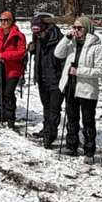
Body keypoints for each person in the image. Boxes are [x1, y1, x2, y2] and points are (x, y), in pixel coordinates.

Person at [53, 16, 102, 159]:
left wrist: (79, 71)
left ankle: (89, 150)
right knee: (72, 118)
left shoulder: (96, 47)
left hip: (87, 89)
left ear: (87, 29)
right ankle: (71, 146)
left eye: (79, 28)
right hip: (70, 86)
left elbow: (100, 71)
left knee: (88, 120)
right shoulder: (71, 43)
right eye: (74, 27)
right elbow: (58, 53)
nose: (76, 30)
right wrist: (66, 38)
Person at [29, 15, 65, 147]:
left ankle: (51, 134)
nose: (37, 35)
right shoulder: (38, 37)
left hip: (56, 79)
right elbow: (40, 54)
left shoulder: (59, 39)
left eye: (39, 32)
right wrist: (33, 49)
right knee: (46, 107)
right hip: (42, 78)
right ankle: (46, 129)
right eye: (35, 33)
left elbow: (63, 60)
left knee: (54, 109)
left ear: (47, 28)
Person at [0, 11, 27, 126]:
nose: (3, 22)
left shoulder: (19, 35)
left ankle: (10, 117)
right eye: (2, 20)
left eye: (6, 20)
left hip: (13, 69)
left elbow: (21, 52)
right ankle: (3, 114)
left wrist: (4, 55)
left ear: (12, 21)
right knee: (1, 92)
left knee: (8, 93)